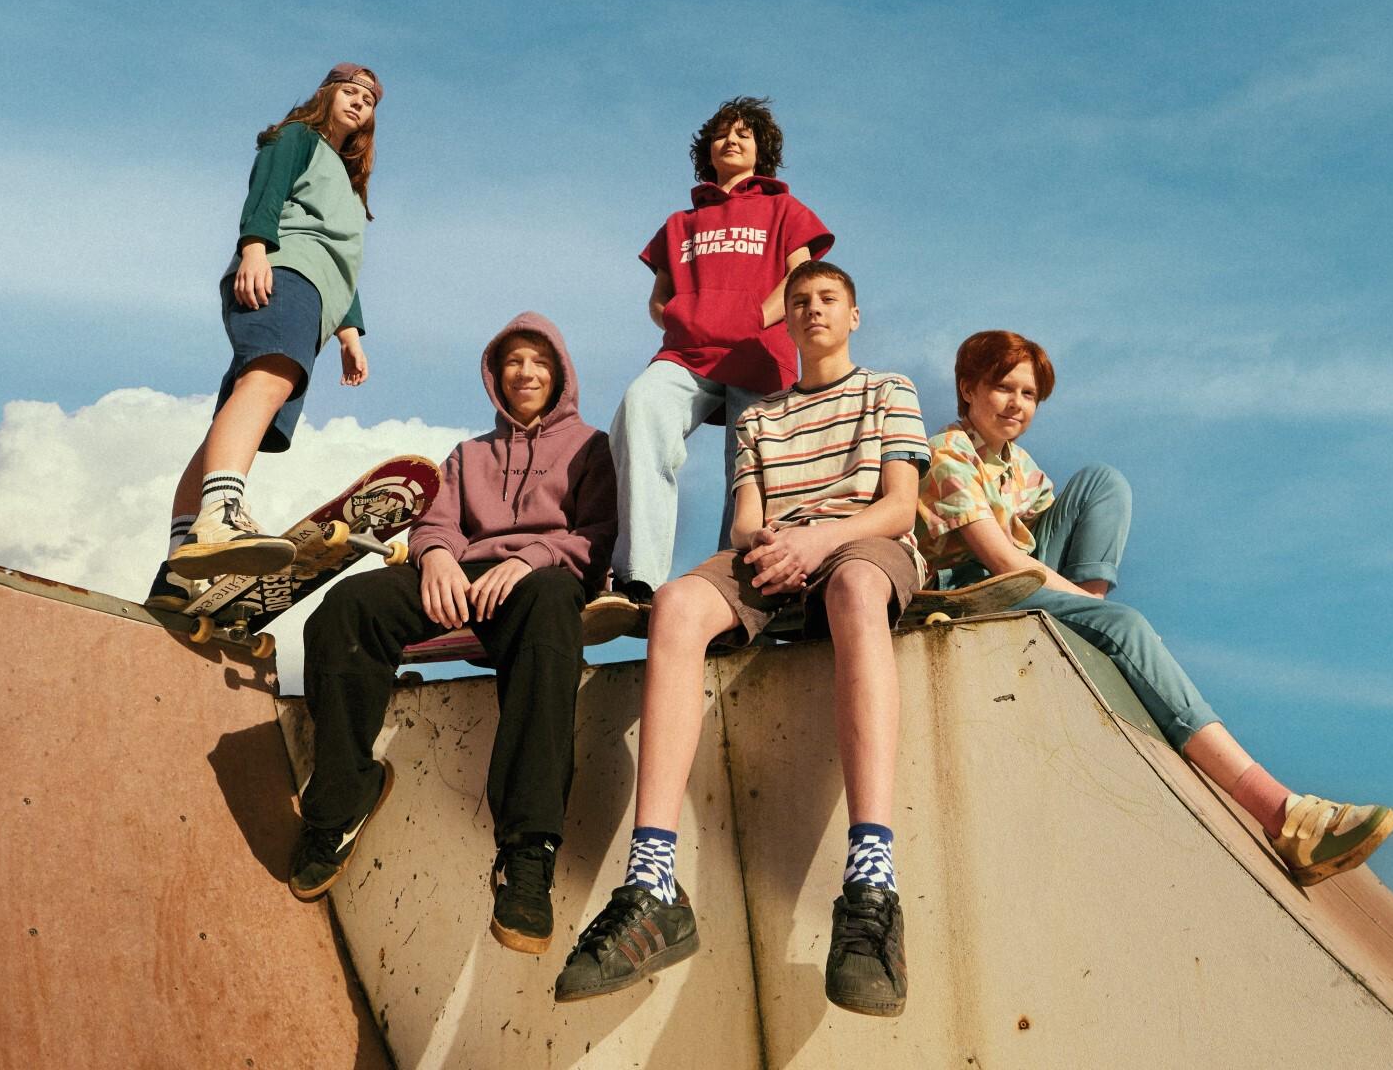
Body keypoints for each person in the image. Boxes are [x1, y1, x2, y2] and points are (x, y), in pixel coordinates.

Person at [557, 261, 923, 1018]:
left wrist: (820, 541)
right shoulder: (760, 417)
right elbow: (749, 518)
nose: (813, 309)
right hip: (775, 555)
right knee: (677, 604)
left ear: (853, 315)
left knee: (857, 588)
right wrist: (773, 544)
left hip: (860, 544)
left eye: (828, 299)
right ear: (786, 320)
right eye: (800, 301)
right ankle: (653, 881)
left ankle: (871, 880)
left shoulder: (890, 390)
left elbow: (898, 507)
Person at [915, 329, 1393, 886]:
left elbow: (1047, 537)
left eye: (1029, 394)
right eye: (1004, 388)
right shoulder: (947, 451)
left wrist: (1086, 604)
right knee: (1126, 626)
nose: (1017, 404)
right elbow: (1002, 561)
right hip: (975, 592)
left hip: (1024, 579)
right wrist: (1096, 613)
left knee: (1102, 481)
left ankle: (1089, 628)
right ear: (968, 388)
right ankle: (1285, 815)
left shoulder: (1020, 467)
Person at [287, 313, 616, 957]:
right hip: (462, 580)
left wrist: (532, 559)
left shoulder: (591, 448)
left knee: (553, 604)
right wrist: (436, 555)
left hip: (540, 584)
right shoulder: (468, 455)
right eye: (513, 362)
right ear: (495, 376)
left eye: (539, 362)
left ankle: (527, 855)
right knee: (348, 605)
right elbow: (436, 521)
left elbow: (598, 534)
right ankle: (341, 802)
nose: (525, 372)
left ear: (561, 375)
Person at [147, 63, 383, 606]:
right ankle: (221, 515)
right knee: (270, 380)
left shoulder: (350, 187)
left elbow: (343, 263)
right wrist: (255, 247)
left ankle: (179, 569)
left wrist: (350, 333)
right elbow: (267, 192)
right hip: (284, 272)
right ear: (326, 94)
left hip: (317, 296)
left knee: (239, 417)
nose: (358, 102)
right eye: (349, 92)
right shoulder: (298, 138)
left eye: (368, 100)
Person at [602, 96, 835, 608]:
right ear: (707, 149)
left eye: (743, 134)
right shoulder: (680, 222)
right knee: (641, 408)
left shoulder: (784, 209)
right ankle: (638, 577)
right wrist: (679, 318)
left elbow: (802, 273)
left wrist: (756, 317)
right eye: (722, 134)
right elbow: (659, 298)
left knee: (749, 465)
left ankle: (731, 586)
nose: (731, 140)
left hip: (758, 350)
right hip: (686, 353)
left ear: (761, 151)